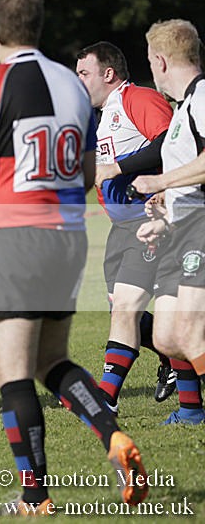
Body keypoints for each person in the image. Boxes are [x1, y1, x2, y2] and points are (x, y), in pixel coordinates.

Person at [0, 0, 148, 513]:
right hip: (69, 239)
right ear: (40, 27)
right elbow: (90, 168)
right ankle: (113, 436)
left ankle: (36, 497)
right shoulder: (73, 85)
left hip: (16, 239)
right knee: (53, 361)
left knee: (14, 375)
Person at [75, 41, 187, 417]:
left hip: (150, 222)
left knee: (126, 306)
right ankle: (179, 368)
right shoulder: (101, 114)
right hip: (120, 228)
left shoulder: (137, 98)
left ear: (108, 74)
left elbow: (173, 146)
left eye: (84, 73)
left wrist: (119, 170)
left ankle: (105, 396)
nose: (79, 81)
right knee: (128, 315)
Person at [132, 19, 205, 423]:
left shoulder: (204, 97)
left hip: (200, 231)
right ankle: (192, 410)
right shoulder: (182, 112)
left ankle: (194, 411)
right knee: (166, 337)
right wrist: (164, 210)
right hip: (180, 231)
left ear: (159, 61)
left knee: (190, 333)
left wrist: (161, 180)